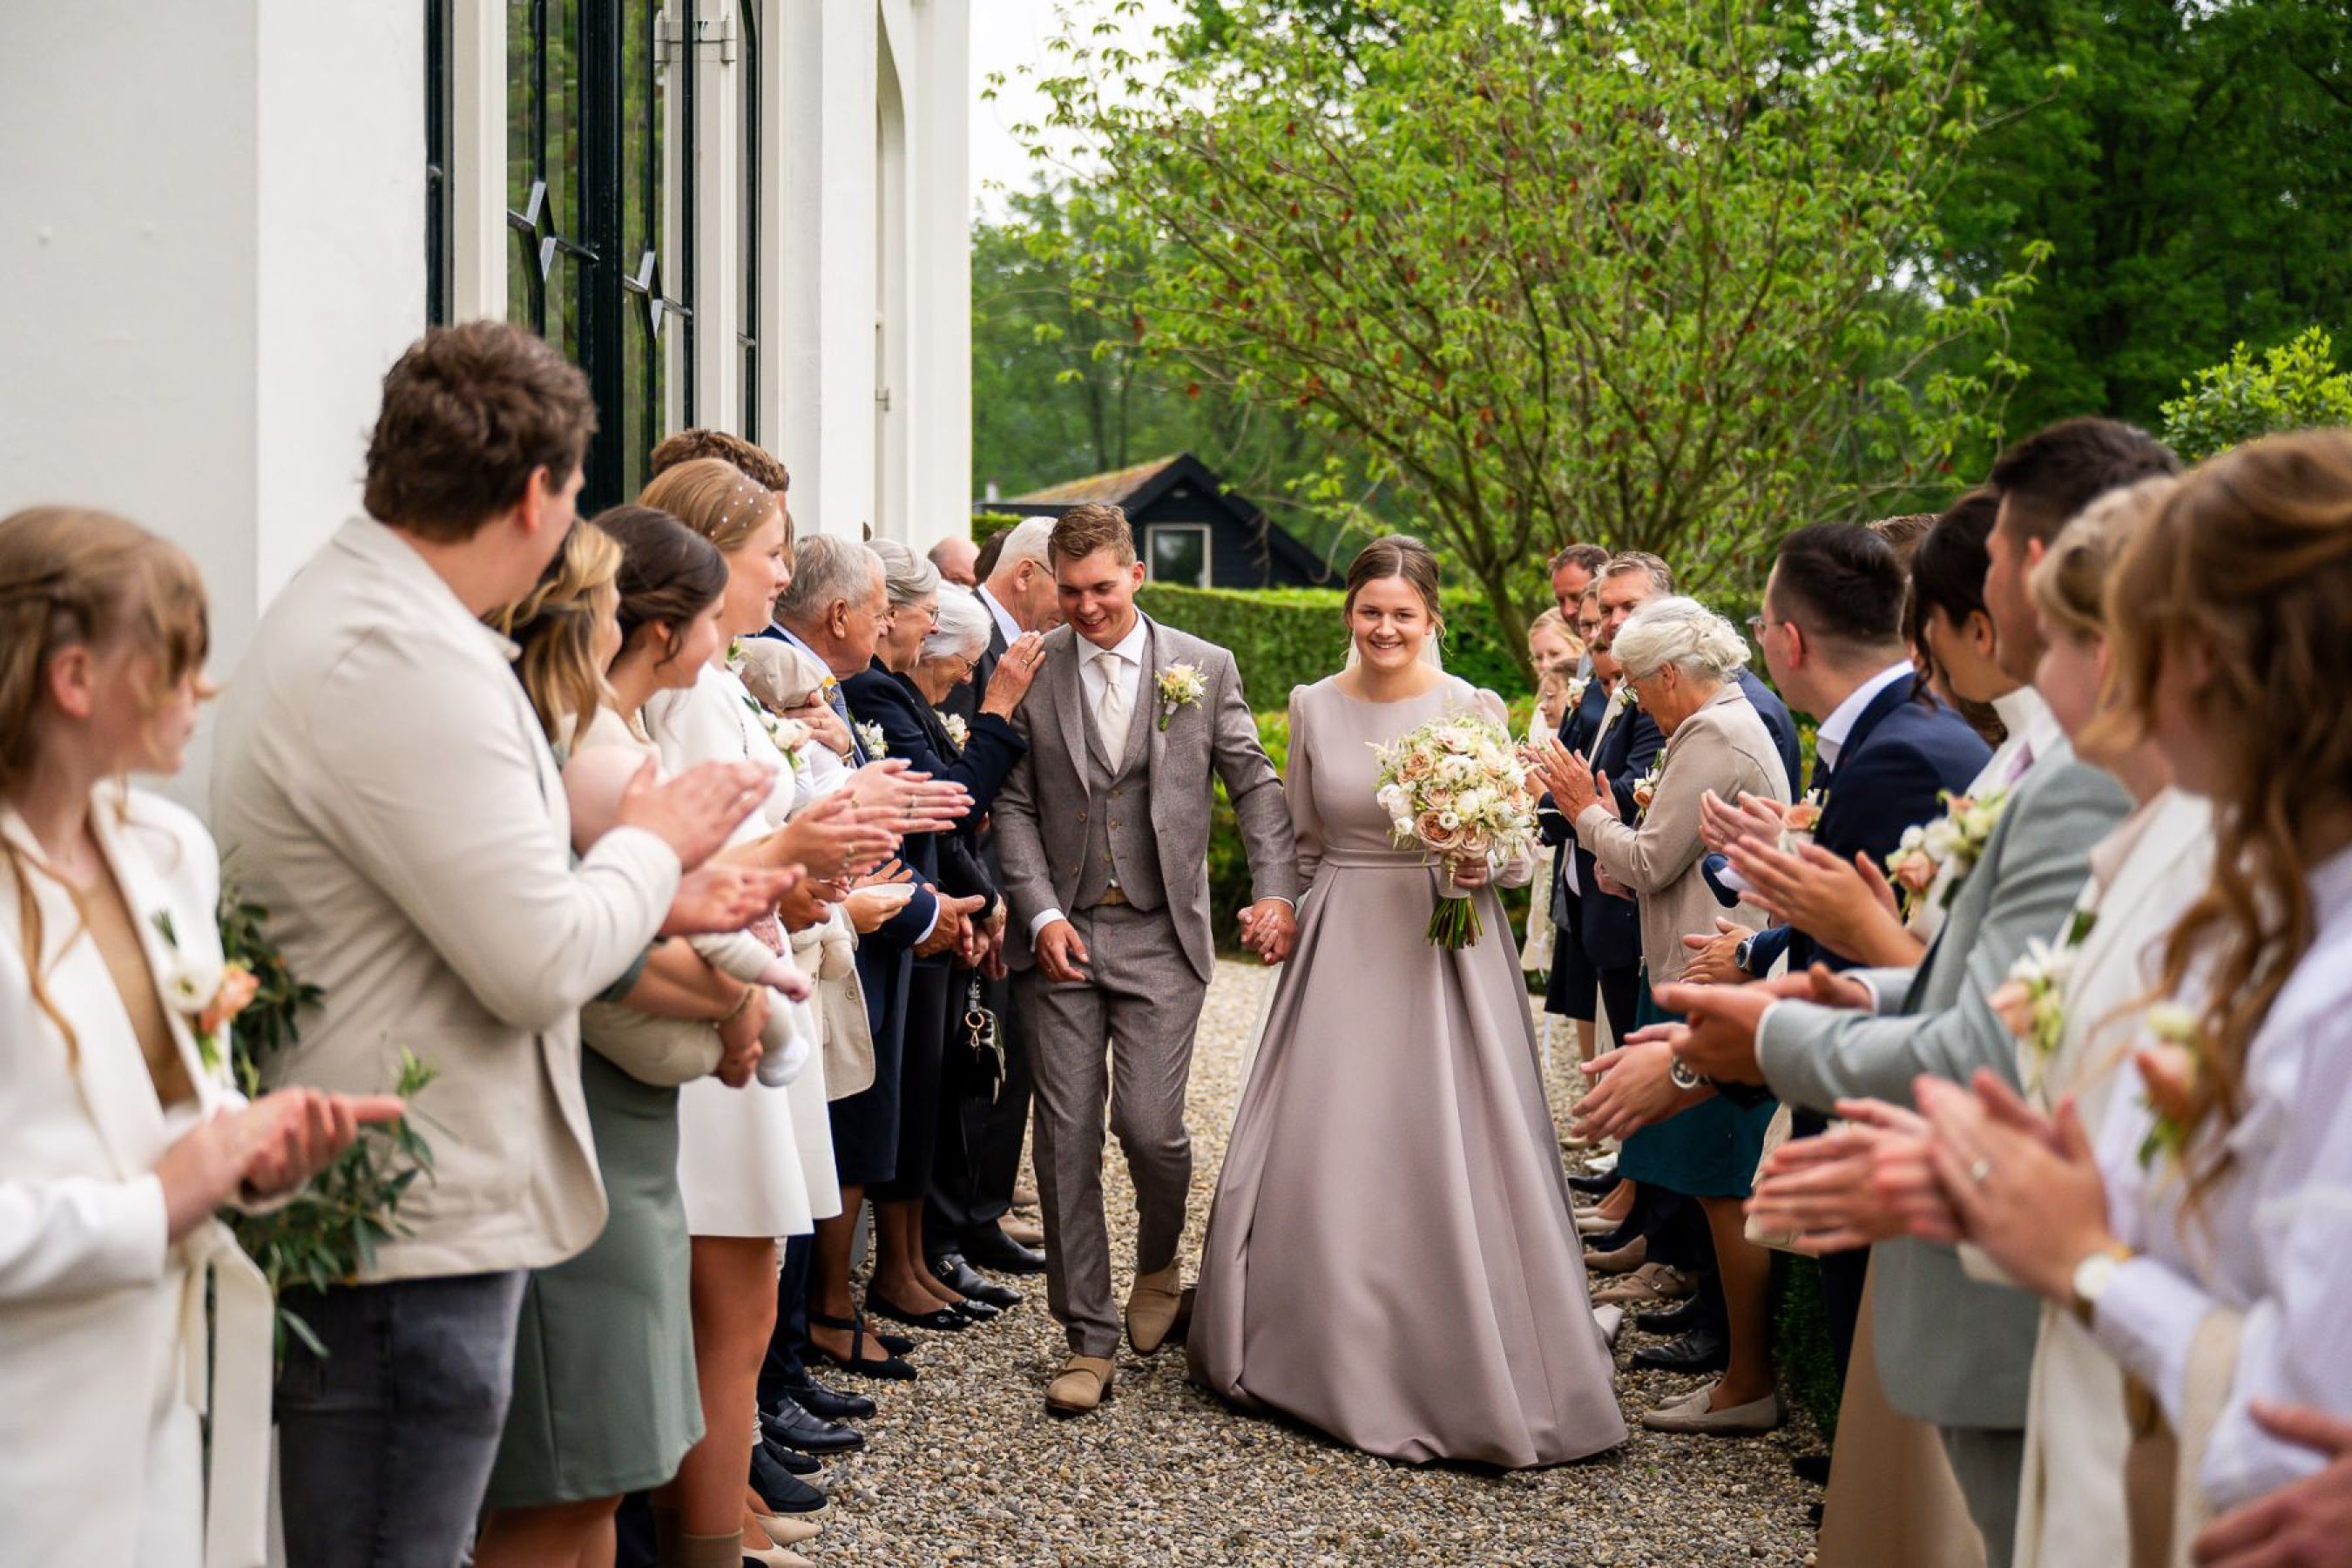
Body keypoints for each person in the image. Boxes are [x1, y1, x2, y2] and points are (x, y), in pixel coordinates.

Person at [210, 322, 777, 1567]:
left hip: (415, 1202)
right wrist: (654, 842)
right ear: (537, 492)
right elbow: (534, 959)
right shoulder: (400, 655)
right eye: (576, 491)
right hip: (408, 1219)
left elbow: (475, 887)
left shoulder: (380, 618)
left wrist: (669, 901)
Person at [1659, 416, 2176, 1565]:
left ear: (2033, 576)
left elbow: (2006, 1038)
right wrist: (1878, 990)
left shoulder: (2093, 775)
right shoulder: (2044, 760)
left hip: (2043, 1276)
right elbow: (2016, 990)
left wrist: (1784, 1026)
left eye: (1983, 560)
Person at [1911, 429, 2352, 1565]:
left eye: (2126, 637)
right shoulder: (2268, 901)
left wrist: (2086, 1261)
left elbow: (2299, 1422)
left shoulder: (2331, 984)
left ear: (2200, 656)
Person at [0, 507, 395, 1568]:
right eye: (176, 662)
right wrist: (150, 1209)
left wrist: (254, 1153)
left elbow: (182, 1100)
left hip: (163, 1400)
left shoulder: (165, 850)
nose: (204, 691)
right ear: (75, 679)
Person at [1187, 535, 1626, 1466]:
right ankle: (1323, 1349)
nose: (1385, 627)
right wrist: (1281, 911)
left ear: (1432, 619)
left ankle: (1463, 1345)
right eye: (1370, 610)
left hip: (1449, 944)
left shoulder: (1471, 704)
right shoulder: (1309, 705)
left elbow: (1514, 850)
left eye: (1403, 613)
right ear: (1349, 612)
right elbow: (1304, 843)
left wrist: (1479, 859)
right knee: (1334, 1136)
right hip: (1345, 939)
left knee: (1450, 1134)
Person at [476, 511, 797, 1568]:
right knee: (573, 1469)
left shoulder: (608, 735)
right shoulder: (586, 749)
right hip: (589, 1115)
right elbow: (603, 946)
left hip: (633, 1116)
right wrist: (737, 1008)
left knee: (600, 1468)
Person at [992, 502, 1299, 1417]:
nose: (1084, 608)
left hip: (1164, 934)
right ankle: (1086, 1335)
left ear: (1136, 576)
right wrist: (1039, 912)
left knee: (1153, 1130)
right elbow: (1009, 806)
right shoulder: (1030, 671)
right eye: (1069, 590)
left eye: (1100, 589)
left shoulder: (1202, 668)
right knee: (1066, 1136)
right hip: (1065, 934)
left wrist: (1276, 890)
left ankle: (1162, 1258)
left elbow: (1255, 782)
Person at [1690, 523, 1990, 1391]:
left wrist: (1699, 1069)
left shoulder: (1901, 753)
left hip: (1880, 1105)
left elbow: (1899, 956)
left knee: (1877, 1367)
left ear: (1787, 641)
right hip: (1873, 1080)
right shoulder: (1893, 732)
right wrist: (1782, 878)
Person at [1531, 595, 1793, 1434]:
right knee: (1708, 1178)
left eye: (1640, 685)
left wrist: (1587, 813)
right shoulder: (1717, 721)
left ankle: (1746, 1377)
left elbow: (1649, 857)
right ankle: (1727, 1353)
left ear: (1670, 674)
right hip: (1698, 957)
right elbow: (1673, 862)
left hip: (1714, 975)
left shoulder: (1715, 732)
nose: (1636, 700)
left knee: (1723, 1184)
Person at [765, 535, 959, 1386]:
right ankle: (808, 1333)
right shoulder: (776, 675)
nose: (888, 625)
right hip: (814, 938)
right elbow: (809, 820)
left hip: (857, 923)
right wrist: (915, 908)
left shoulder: (828, 684)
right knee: (829, 1138)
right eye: (882, 608)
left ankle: (808, 1337)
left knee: (854, 1130)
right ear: (841, 612)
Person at [842, 543, 1005, 1335]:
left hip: (934, 906)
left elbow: (953, 819)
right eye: (921, 614)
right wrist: (1001, 716)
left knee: (921, 1092)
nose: (965, 676)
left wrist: (982, 899)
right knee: (894, 1096)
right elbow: (952, 801)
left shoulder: (892, 692)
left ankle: (906, 1263)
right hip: (896, 916)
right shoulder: (874, 691)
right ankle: (878, 1278)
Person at [928, 513, 1067, 1278]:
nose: (1070, 602)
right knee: (974, 1062)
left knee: (999, 1056)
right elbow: (965, 770)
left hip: (1003, 881)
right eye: (1061, 582)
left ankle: (984, 1214)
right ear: (1025, 576)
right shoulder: (970, 634)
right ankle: (965, 1221)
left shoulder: (1018, 640)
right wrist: (987, 890)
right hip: (973, 881)